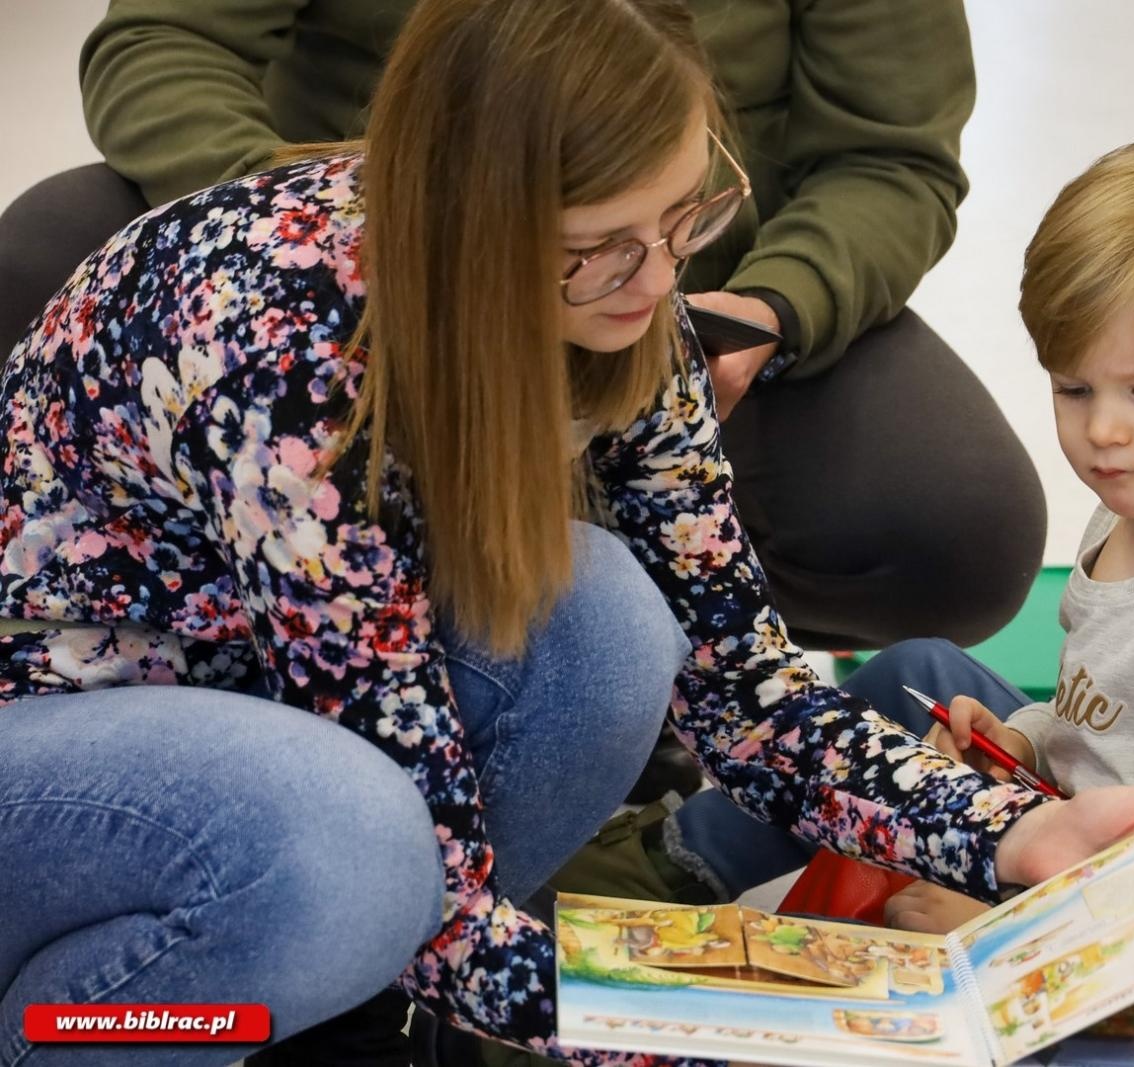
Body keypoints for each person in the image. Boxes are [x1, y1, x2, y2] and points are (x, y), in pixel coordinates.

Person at [0, 1, 1134, 1061]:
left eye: (684, 215)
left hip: (269, 688)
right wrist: (733, 1021)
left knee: (609, 620)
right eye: (596, 248)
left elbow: (750, 696)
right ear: (467, 226)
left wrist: (1020, 834)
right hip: (58, 714)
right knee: (356, 853)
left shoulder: (634, 295)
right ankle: (72, 1034)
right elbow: (415, 844)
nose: (654, 277)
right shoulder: (287, 352)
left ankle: (367, 1015)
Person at [0, 0, 1047, 661]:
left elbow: (891, 159)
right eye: (599, 241)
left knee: (952, 519)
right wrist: (321, 260)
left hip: (678, 310)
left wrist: (996, 831)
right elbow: (164, 39)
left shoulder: (654, 285)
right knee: (51, 246)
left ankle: (609, 683)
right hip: (352, 264)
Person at [603, 135, 1134, 935]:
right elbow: (1095, 726)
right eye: (1073, 387)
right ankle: (672, 857)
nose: (1102, 430)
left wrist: (1004, 915)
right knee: (916, 672)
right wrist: (1023, 742)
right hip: (1076, 824)